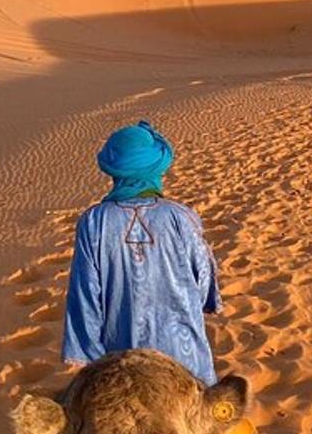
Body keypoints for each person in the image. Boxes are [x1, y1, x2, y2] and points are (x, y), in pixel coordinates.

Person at [62, 121, 221, 389]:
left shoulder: (93, 223)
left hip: (121, 364)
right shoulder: (182, 218)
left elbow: (85, 296)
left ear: (113, 169)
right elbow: (203, 281)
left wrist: (88, 357)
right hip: (185, 359)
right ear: (157, 168)